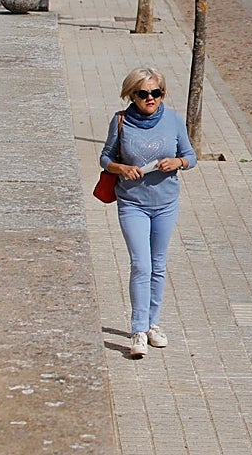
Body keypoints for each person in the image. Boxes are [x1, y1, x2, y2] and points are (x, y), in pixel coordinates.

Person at [100, 67, 196, 359]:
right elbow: (105, 158)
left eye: (156, 92)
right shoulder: (121, 121)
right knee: (141, 264)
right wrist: (121, 168)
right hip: (132, 203)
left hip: (166, 203)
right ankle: (138, 329)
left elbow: (191, 156)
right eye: (143, 94)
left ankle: (154, 324)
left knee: (158, 264)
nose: (150, 98)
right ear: (132, 95)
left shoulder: (173, 120)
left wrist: (177, 162)